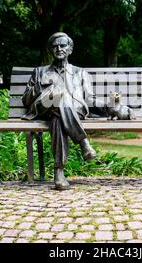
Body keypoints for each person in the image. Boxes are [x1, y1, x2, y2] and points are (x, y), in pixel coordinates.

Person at [22, 32, 108, 190]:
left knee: (58, 118)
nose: (59, 49)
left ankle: (59, 173)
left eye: (63, 45)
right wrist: (39, 85)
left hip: (71, 111)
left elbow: (90, 99)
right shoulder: (39, 72)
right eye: (55, 46)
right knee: (59, 98)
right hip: (44, 107)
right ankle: (83, 143)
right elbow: (26, 100)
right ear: (50, 50)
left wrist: (111, 106)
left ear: (70, 49)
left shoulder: (80, 73)